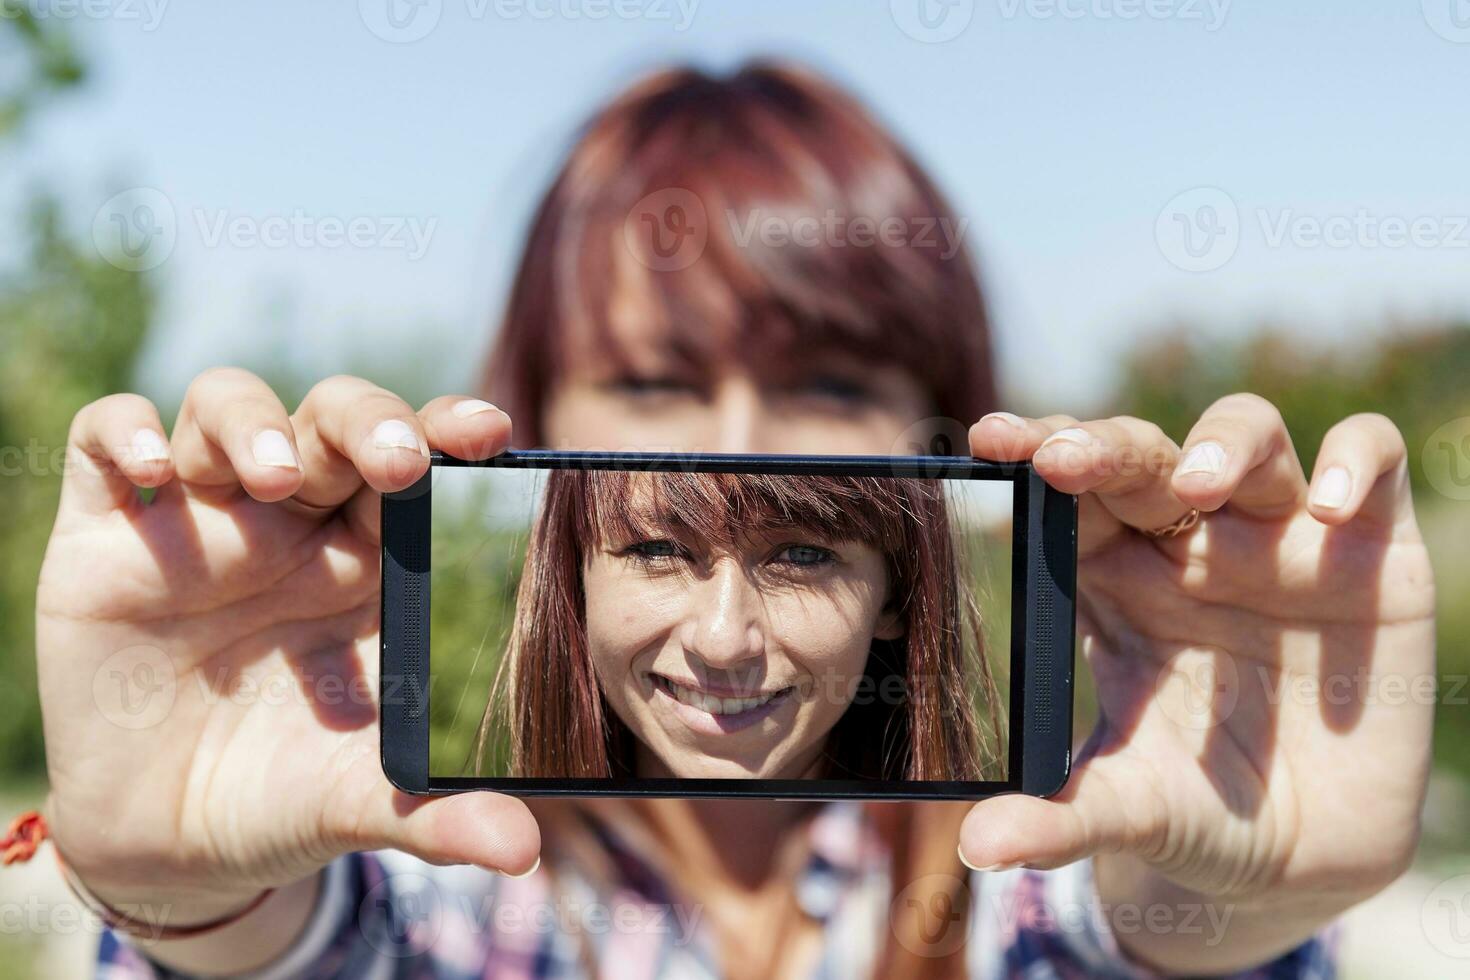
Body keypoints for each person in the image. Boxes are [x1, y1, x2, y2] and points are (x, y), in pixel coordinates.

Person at [31, 62, 1433, 978]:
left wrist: (1231, 924)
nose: (740, 451)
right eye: (650, 383)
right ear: (545, 460)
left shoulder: (1056, 852)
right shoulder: (431, 868)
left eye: (824, 380)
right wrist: (197, 914)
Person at [473, 469, 1002, 782]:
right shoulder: (458, 884)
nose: (722, 642)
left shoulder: (1003, 876)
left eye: (801, 555)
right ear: (576, 578)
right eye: (658, 549)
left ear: (894, 600)